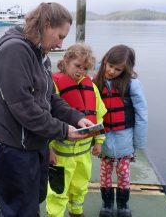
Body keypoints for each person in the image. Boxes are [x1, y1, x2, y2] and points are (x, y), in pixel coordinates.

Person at [0, 2, 95, 217]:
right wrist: (64, 131)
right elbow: (24, 107)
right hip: (12, 148)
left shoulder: (40, 53)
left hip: (34, 146)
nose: (61, 44)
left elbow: (50, 98)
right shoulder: (14, 51)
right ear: (46, 25)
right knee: (19, 210)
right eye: (60, 36)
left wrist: (76, 117)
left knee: (32, 202)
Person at [46, 43, 107, 217]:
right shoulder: (53, 86)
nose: (81, 71)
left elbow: (100, 115)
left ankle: (76, 212)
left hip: (84, 154)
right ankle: (55, 215)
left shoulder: (92, 87)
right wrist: (47, 147)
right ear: (66, 61)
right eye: (77, 66)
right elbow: (46, 119)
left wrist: (99, 141)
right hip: (60, 156)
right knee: (57, 191)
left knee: (80, 186)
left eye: (85, 68)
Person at [92, 45, 148, 217]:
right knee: (105, 173)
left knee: (124, 174)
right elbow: (91, 112)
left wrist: (138, 142)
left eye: (118, 69)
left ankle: (123, 204)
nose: (112, 71)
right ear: (105, 61)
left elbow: (142, 114)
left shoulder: (132, 84)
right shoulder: (96, 81)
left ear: (126, 69)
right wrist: (94, 140)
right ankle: (107, 204)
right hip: (105, 140)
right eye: (110, 66)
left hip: (125, 140)